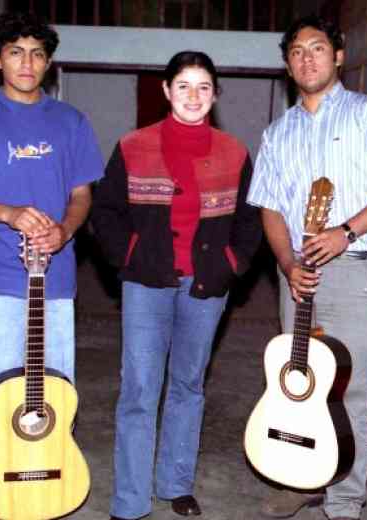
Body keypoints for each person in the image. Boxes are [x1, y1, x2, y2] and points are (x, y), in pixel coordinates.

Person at [247, 14, 367, 520]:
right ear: (287, 64)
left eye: (317, 48)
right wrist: (284, 262)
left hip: (352, 268)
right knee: (297, 381)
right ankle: (301, 478)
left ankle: (344, 502)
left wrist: (346, 231)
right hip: (295, 273)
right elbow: (270, 206)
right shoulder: (277, 132)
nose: (307, 58)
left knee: (347, 391)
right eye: (296, 51)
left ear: (338, 55)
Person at [91, 51, 262, 520]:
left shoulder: (234, 151)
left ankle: (175, 483)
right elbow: (104, 212)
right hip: (146, 284)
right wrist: (128, 257)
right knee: (140, 389)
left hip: (205, 288)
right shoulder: (133, 145)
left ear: (216, 94)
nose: (193, 96)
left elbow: (250, 220)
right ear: (166, 91)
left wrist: (231, 263)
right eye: (183, 85)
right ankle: (130, 501)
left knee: (188, 385)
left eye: (204, 87)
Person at [0, 11, 103, 456]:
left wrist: (64, 232)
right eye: (15, 53)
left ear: (48, 63)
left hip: (56, 278)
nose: (26, 63)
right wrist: (8, 213)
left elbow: (82, 194)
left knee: (54, 385)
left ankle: (49, 474)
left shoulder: (71, 121)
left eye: (37, 55)